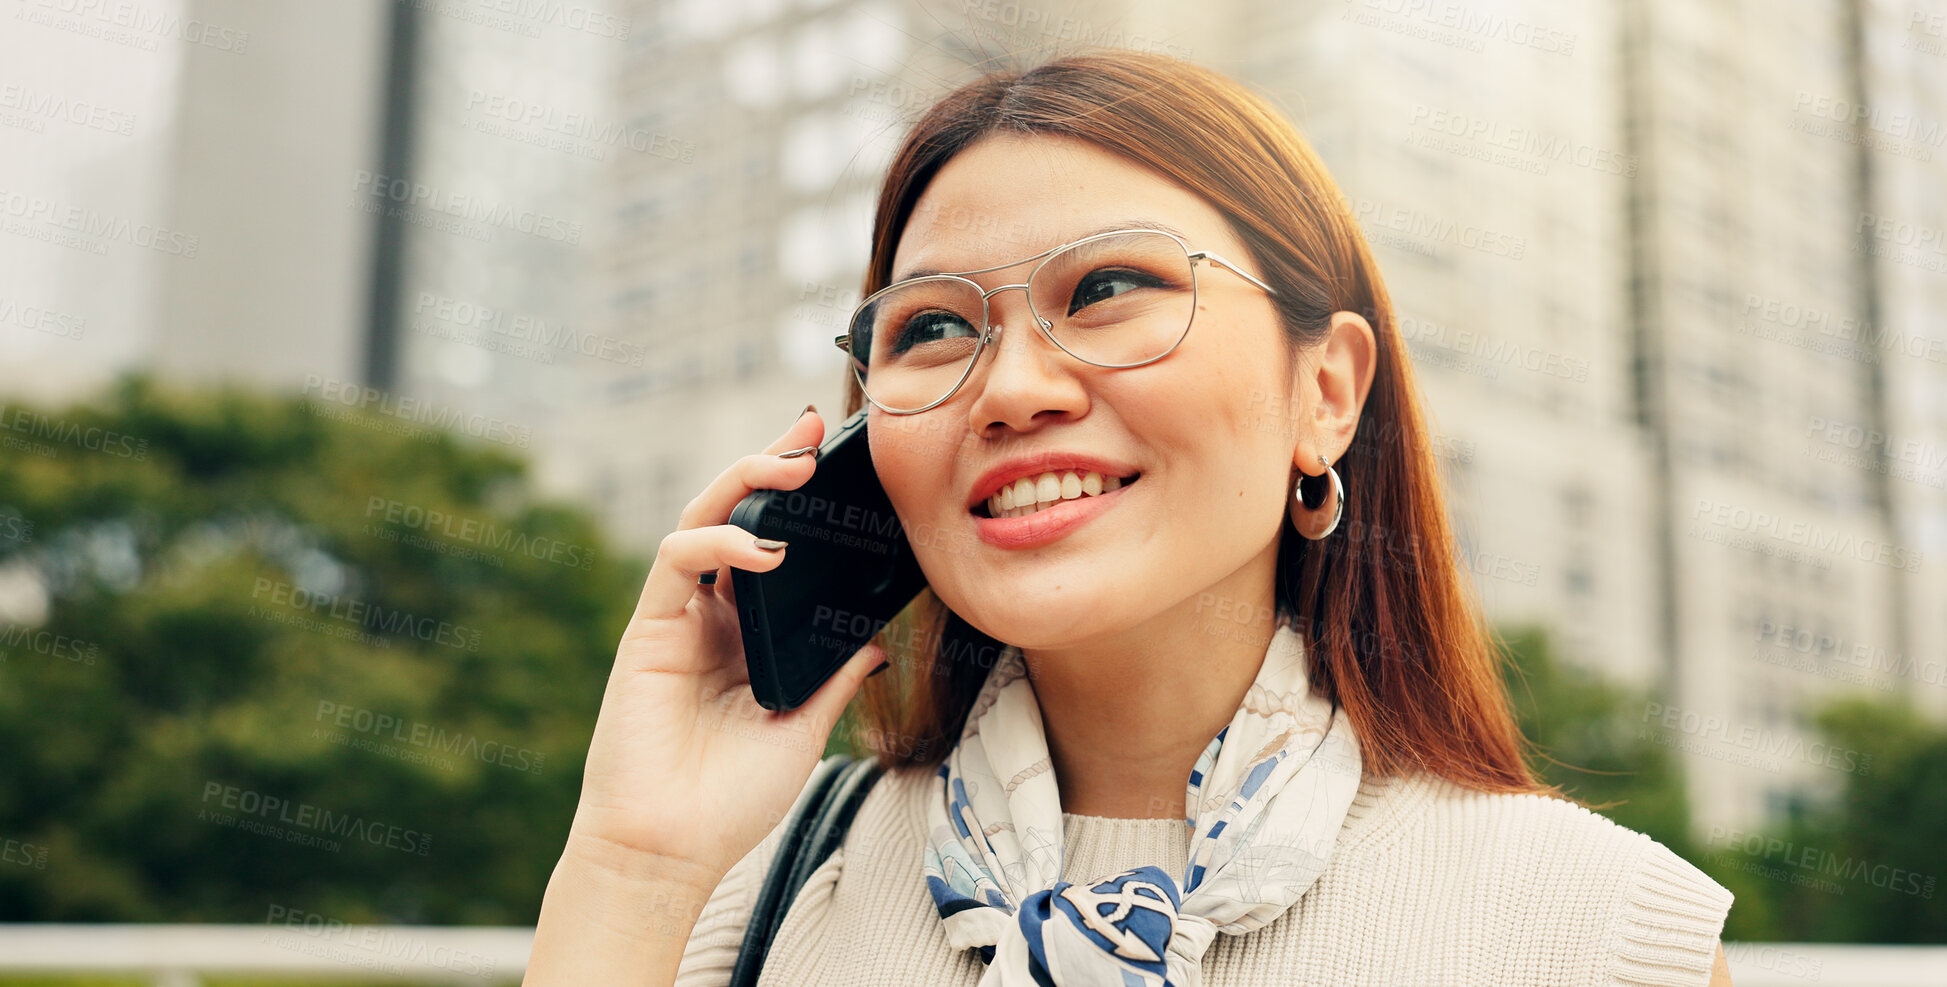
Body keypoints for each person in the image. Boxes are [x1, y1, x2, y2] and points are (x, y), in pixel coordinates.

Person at [524, 49, 1736, 986]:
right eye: (933, 326)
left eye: (1108, 289)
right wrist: (637, 865)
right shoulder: (747, 896)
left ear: (1324, 394)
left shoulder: (1599, 931)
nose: (1010, 391)